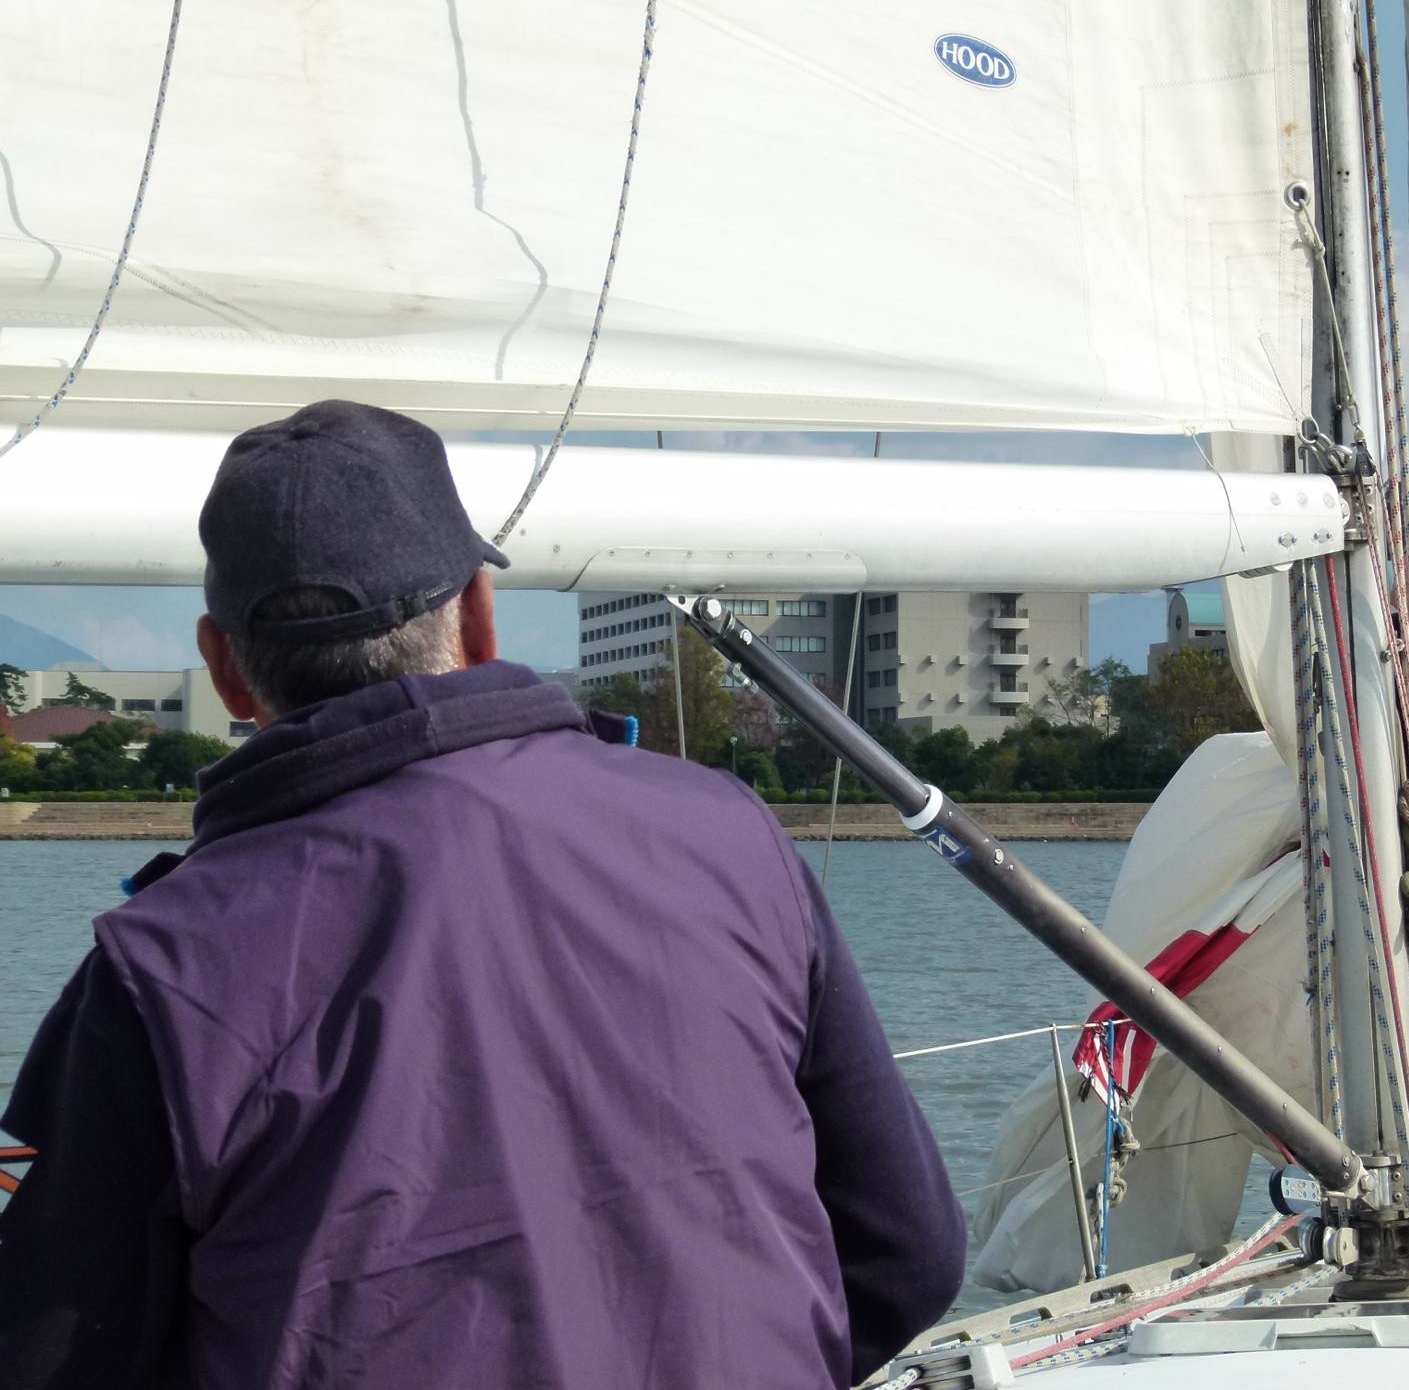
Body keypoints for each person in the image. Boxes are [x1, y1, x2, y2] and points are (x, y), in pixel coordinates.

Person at [0, 402, 964, 1389]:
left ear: (224, 668)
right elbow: (908, 1255)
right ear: (477, 614)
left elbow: (41, 1348)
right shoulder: (727, 832)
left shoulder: (162, 968)